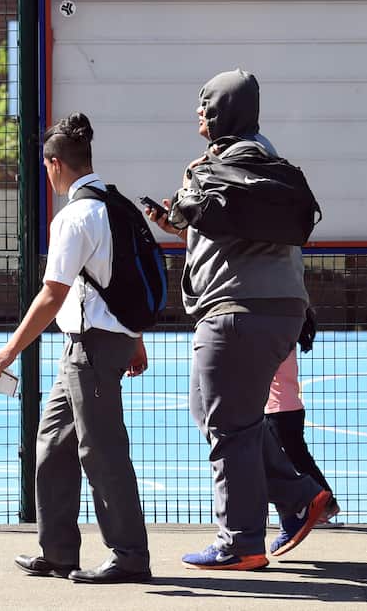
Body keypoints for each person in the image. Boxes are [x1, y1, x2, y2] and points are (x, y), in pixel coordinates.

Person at [147, 69, 331, 571]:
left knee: (227, 425)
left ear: (220, 112)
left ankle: (240, 541)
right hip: (281, 310)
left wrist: (179, 215)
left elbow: (218, 226)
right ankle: (298, 496)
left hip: (231, 310)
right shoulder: (271, 168)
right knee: (219, 414)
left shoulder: (208, 170)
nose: (198, 115)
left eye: (204, 105)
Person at [0, 112, 152, 585]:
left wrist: (10, 350)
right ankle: (57, 551)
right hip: (96, 344)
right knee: (53, 444)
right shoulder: (116, 205)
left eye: (45, 166)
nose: (46, 175)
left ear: (55, 163)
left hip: (91, 348)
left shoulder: (75, 216)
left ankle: (130, 556)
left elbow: (53, 293)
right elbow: (120, 283)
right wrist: (135, 338)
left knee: (102, 451)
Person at [266, 339, 341, 525]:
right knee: (297, 460)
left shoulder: (276, 343)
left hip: (279, 411)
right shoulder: (285, 338)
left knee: (288, 462)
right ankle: (323, 504)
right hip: (287, 409)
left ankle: (323, 505)